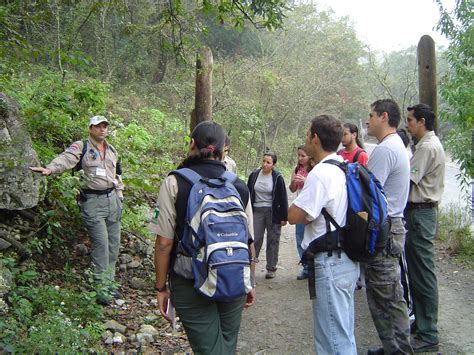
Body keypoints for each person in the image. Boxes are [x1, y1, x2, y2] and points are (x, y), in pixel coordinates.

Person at [150, 121, 256, 355]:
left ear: (191, 145)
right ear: (223, 149)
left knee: (210, 350)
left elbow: (164, 242)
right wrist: (250, 279)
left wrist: (160, 288)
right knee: (226, 346)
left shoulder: (174, 182)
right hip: (233, 274)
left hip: (190, 280)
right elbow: (248, 239)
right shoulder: (238, 185)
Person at [30, 116, 124, 304]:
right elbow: (66, 159)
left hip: (113, 200)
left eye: (105, 126)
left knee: (114, 244)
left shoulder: (112, 150)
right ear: (90, 128)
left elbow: (118, 175)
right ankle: (100, 288)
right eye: (98, 126)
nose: (102, 130)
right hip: (92, 201)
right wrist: (50, 168)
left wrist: (120, 196)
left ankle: (109, 284)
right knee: (101, 244)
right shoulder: (81, 147)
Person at [288, 114, 359, 354]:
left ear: (315, 138)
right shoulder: (343, 166)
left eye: (308, 133)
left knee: (333, 340)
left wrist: (303, 210)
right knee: (343, 332)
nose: (306, 138)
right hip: (345, 260)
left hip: (330, 263)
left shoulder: (320, 174)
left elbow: (294, 216)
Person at [365, 99, 414, 355]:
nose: (368, 120)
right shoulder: (395, 146)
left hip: (385, 227)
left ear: (384, 117)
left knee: (388, 295)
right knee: (383, 294)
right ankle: (391, 347)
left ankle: (400, 350)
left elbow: (368, 193)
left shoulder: (386, 150)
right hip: (391, 225)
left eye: (371, 115)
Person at [404, 104, 445, 353]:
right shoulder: (424, 146)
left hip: (421, 214)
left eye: (410, 120)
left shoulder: (428, 147)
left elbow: (408, 179)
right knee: (417, 273)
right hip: (418, 214)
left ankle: (428, 332)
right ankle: (421, 324)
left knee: (423, 274)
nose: (407, 124)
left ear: (421, 122)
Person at [247, 152, 288, 279]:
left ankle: (271, 268)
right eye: (263, 161)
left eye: (268, 162)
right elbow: (248, 193)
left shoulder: (277, 177)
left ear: (273, 165)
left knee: (273, 239)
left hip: (272, 211)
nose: (265, 164)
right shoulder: (254, 175)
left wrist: (283, 217)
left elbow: (283, 198)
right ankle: (250, 266)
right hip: (257, 210)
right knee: (255, 239)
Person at [289, 145, 312, 280]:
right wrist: (294, 181)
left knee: (312, 238)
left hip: (310, 208)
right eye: (299, 155)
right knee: (300, 237)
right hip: (299, 207)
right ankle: (305, 266)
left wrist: (306, 180)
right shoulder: (297, 169)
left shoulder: (315, 170)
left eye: (303, 155)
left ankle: (313, 266)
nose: (300, 158)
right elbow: (292, 189)